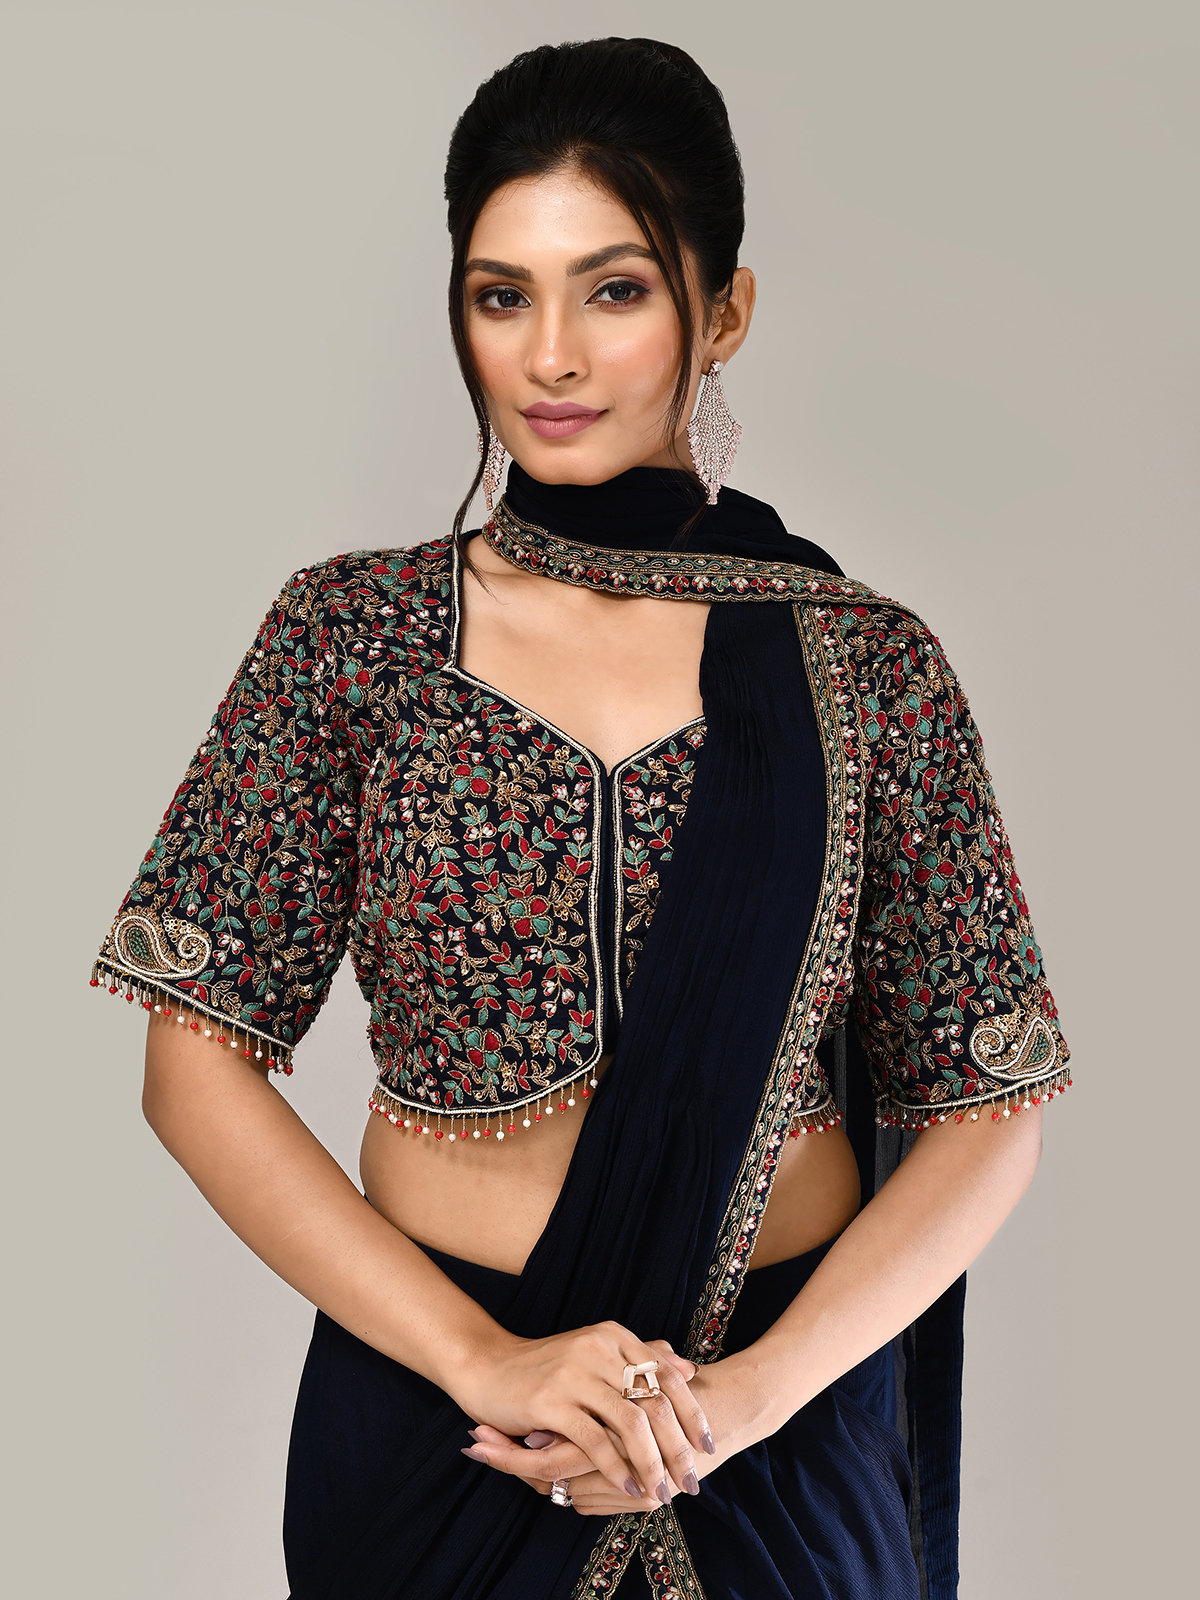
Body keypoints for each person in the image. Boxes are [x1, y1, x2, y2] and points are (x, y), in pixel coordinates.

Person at [91, 37, 1070, 1600]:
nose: (551, 355)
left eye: (613, 290)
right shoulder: (354, 635)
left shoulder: (863, 665)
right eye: (503, 296)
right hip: (442, 1428)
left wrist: (736, 1407)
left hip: (772, 1433)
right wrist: (482, 1361)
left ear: (723, 310)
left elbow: (989, 1103)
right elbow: (191, 1061)